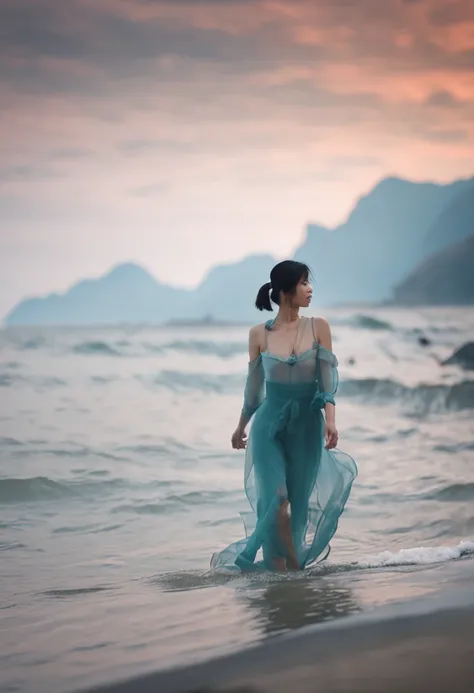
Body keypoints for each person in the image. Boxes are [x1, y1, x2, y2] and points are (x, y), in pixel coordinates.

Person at [210, 260, 357, 573]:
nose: (310, 289)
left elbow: (327, 382)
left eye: (308, 282)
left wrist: (331, 421)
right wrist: (240, 427)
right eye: (304, 283)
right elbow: (253, 391)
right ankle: (290, 569)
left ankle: (284, 576)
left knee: (298, 505)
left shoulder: (319, 327)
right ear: (286, 291)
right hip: (267, 428)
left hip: (306, 427)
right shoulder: (258, 335)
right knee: (276, 500)